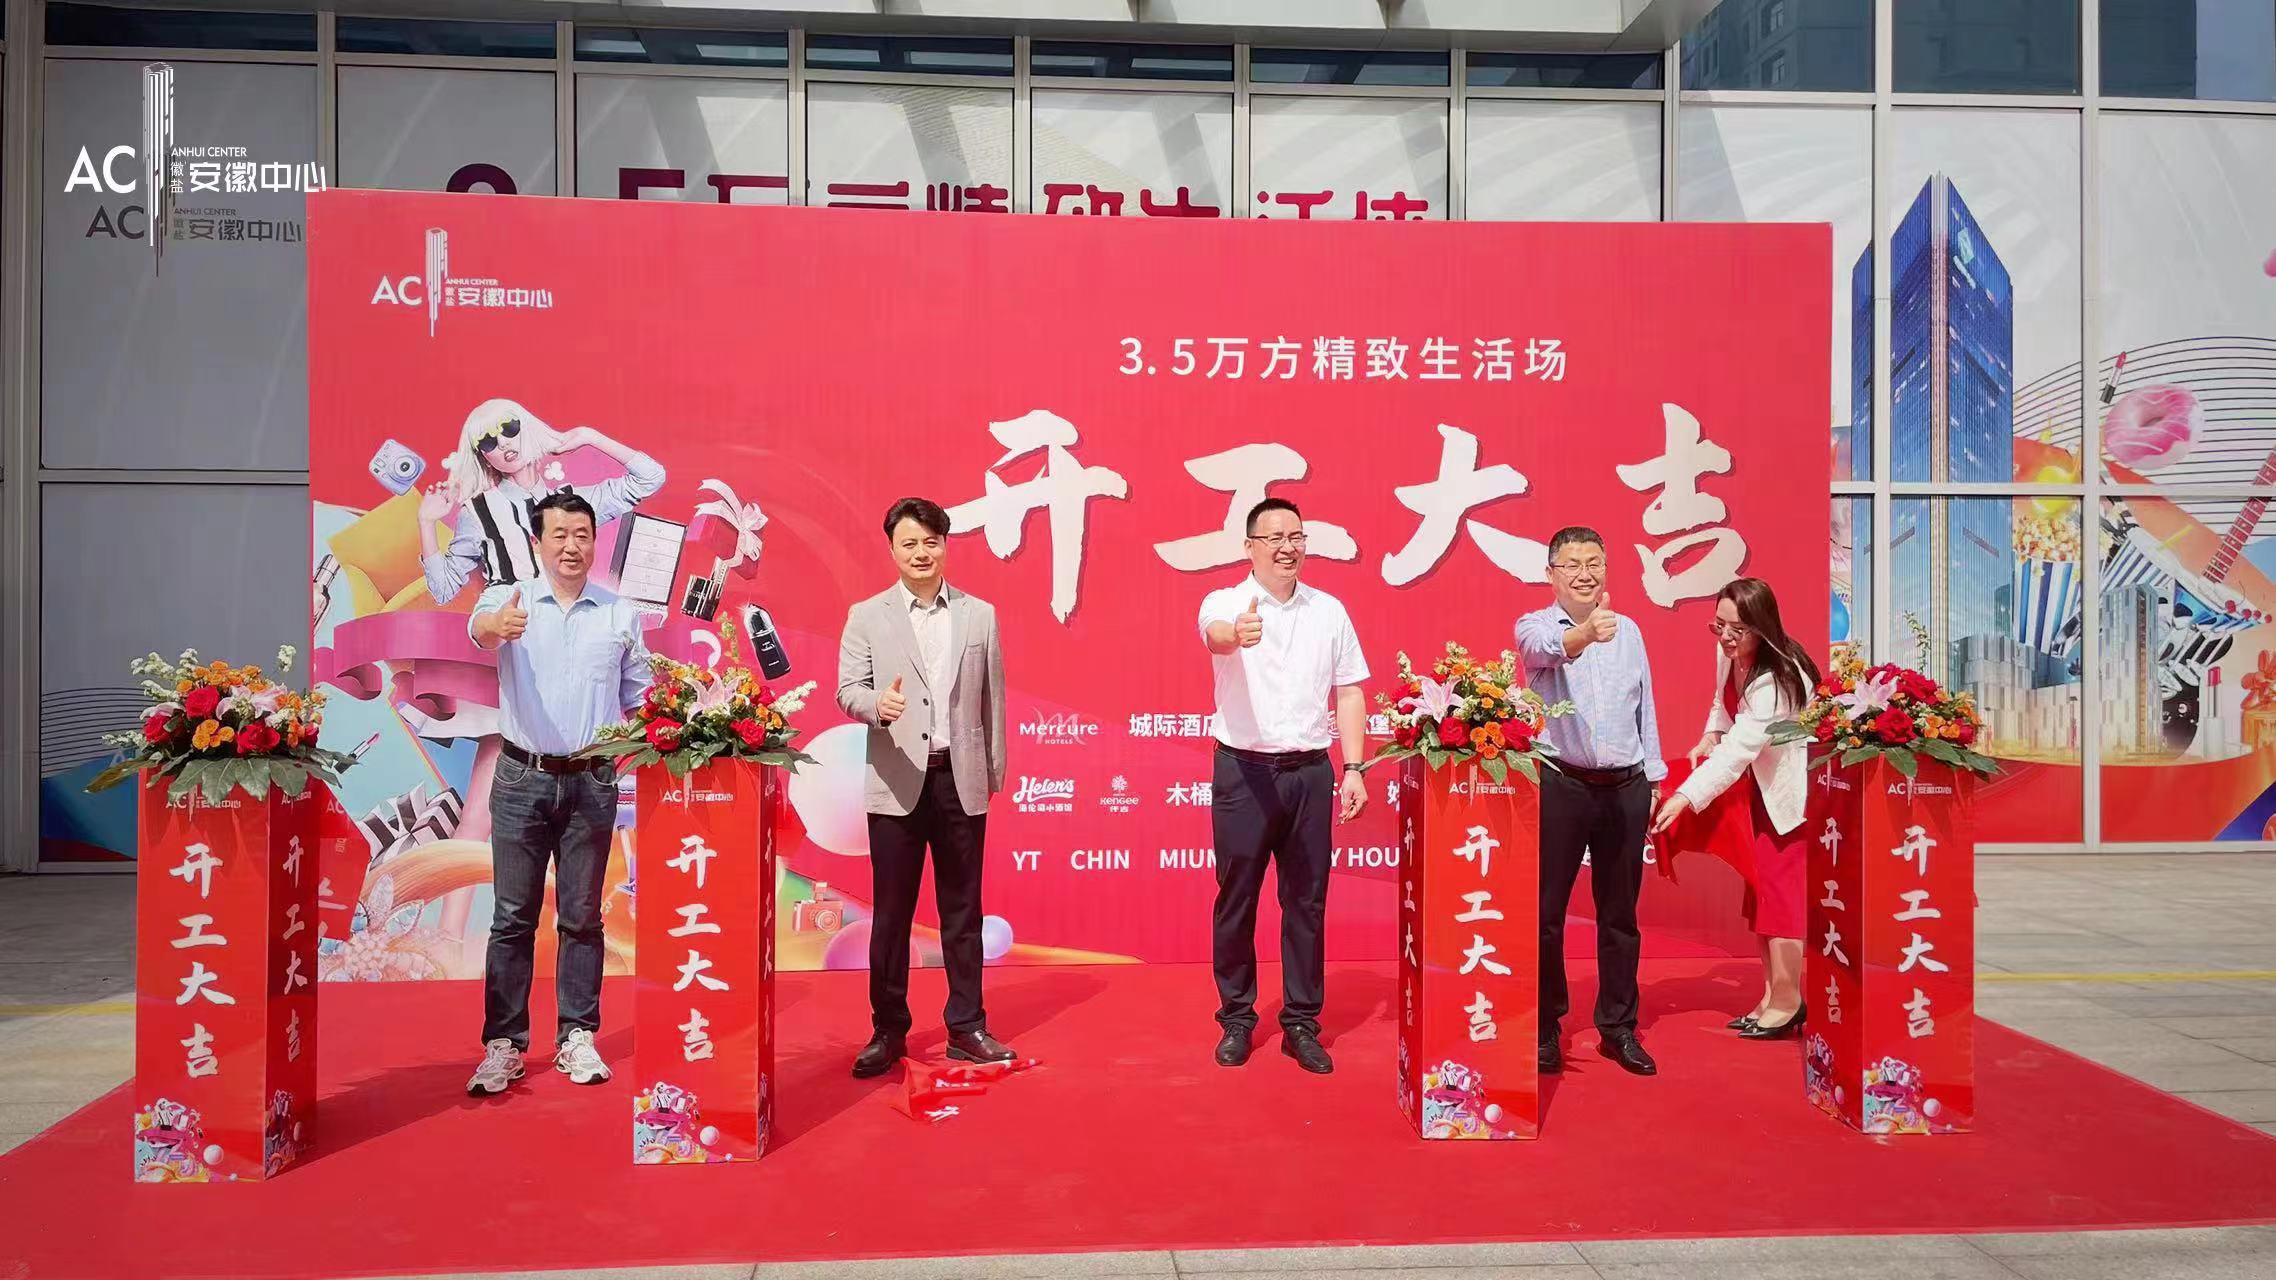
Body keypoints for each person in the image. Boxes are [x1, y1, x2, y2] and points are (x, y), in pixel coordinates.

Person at [463, 492, 651, 1096]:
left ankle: (578, 1035)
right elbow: (479, 630)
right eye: (559, 535)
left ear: (595, 541)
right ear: (538, 542)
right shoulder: (509, 598)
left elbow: (640, 695)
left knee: (582, 917)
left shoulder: (620, 614)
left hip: (593, 781)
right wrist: (495, 626)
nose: (571, 546)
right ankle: (503, 1044)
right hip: (521, 778)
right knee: (512, 918)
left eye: (582, 535)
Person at [836, 497, 1014, 1078]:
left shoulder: (978, 615)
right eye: (909, 543)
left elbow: (993, 700)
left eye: (930, 542)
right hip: (897, 780)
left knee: (963, 911)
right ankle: (888, 1030)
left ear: (945, 546)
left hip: (960, 780)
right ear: (892, 549)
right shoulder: (868, 615)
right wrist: (876, 706)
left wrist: (991, 774)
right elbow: (847, 689)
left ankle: (967, 1026)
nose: (921, 553)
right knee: (892, 913)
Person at [1199, 498, 1371, 1075]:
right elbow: (1215, 636)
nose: (1286, 547)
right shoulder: (1225, 602)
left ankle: (1301, 1021)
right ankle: (1237, 1018)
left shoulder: (1329, 611)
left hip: (1309, 773)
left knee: (1306, 901)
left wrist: (1353, 767)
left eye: (1295, 536)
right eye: (1273, 537)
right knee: (1237, 898)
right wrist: (1236, 633)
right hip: (1243, 773)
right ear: (1249, 546)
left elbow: (1350, 690)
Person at [1517, 526, 1665, 1077]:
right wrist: (1584, 633)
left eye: (1594, 562)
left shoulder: (1630, 631)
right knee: (1545, 913)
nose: (1585, 574)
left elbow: (1645, 705)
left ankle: (1618, 1027)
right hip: (1562, 782)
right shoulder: (1535, 625)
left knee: (1620, 914)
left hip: (1625, 785)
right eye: (1573, 564)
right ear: (1551, 573)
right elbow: (1544, 651)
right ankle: (1544, 1027)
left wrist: (1653, 778)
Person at [1651, 577, 1820, 1040]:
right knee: (1761, 893)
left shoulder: (1778, 679)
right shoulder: (1729, 652)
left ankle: (1788, 1000)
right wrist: (1710, 733)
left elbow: (1739, 749)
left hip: (1787, 799)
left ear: (1762, 627)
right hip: (1755, 793)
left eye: (1737, 630)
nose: (1725, 637)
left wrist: (1686, 796)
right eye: (1718, 625)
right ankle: (1770, 995)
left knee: (1782, 900)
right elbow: (1721, 706)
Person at [418, 398, 665, 605]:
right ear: (483, 457)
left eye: (509, 428)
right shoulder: (477, 513)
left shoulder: (573, 503)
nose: (503, 442)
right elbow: (443, 589)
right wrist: (426, 522)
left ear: (527, 429)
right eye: (488, 441)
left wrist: (591, 437)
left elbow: (650, 478)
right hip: (519, 637)